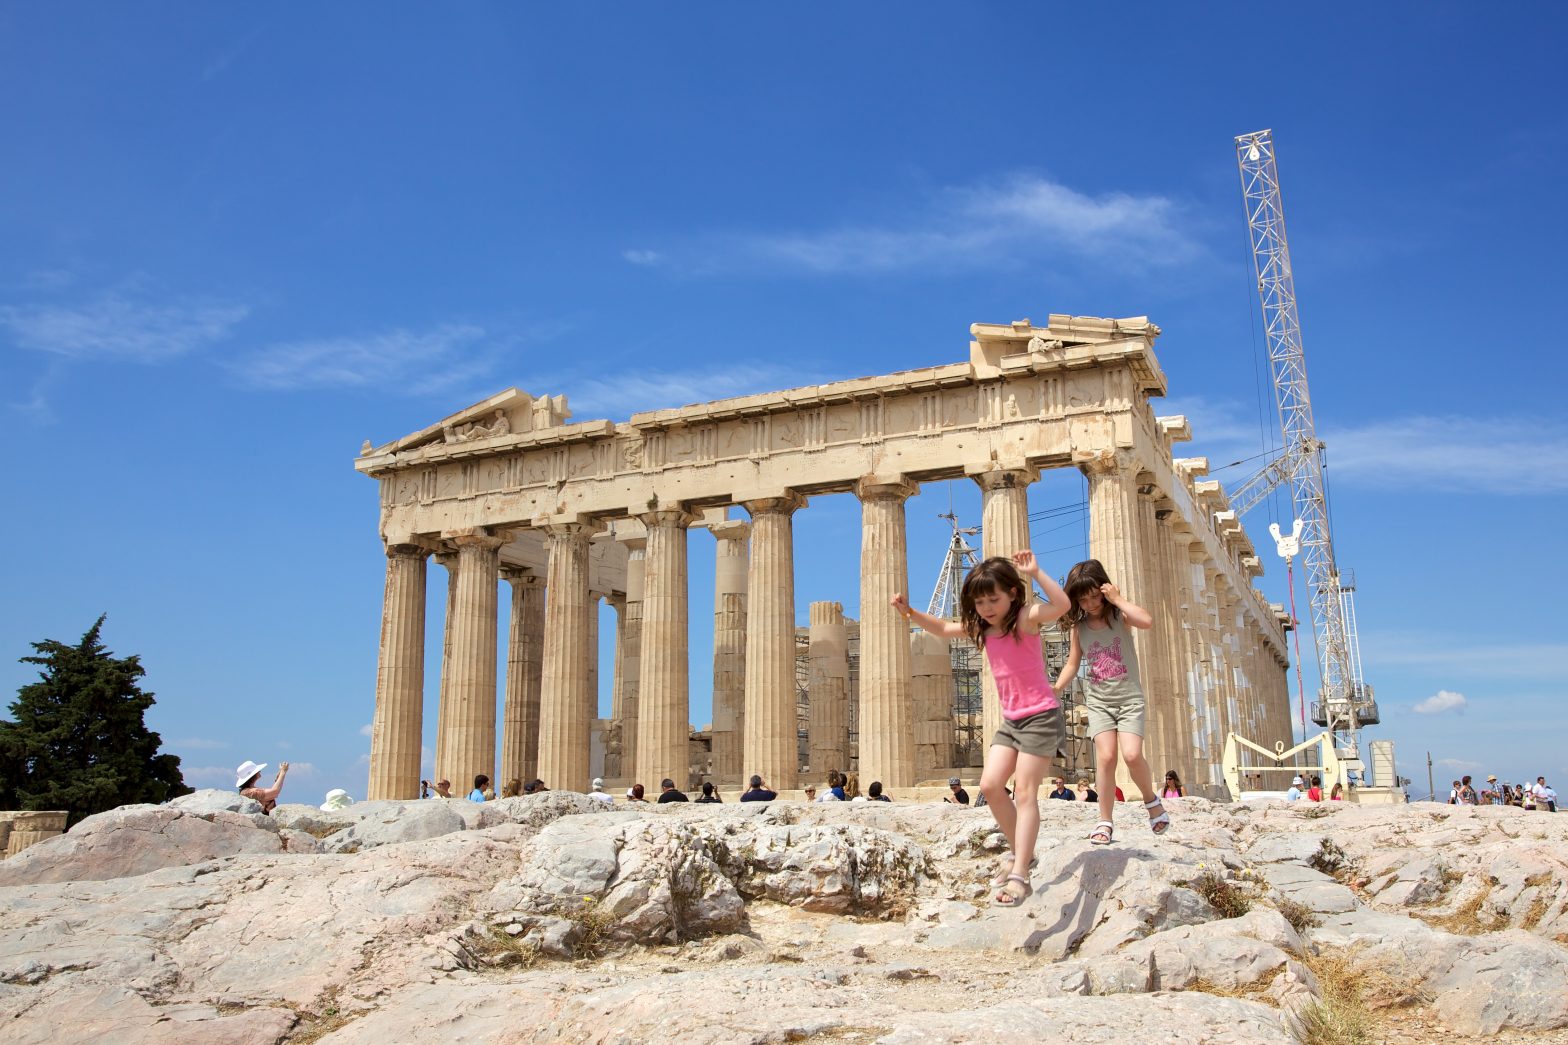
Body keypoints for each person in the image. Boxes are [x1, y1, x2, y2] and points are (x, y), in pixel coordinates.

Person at [893, 548, 1070, 907]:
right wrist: (910, 612)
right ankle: (1024, 852)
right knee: (990, 786)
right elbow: (942, 628)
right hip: (1012, 720)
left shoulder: (1025, 620)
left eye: (994, 599)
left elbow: (1062, 605)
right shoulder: (982, 629)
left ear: (1012, 595)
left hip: (1041, 715)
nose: (987, 607)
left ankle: (1020, 871)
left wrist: (1035, 573)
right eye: (980, 601)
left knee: (1025, 791)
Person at [1054, 559, 1168, 844]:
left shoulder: (1120, 616)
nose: (1091, 603)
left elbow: (1146, 620)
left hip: (1129, 699)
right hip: (1099, 701)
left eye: (1095, 596)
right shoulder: (1079, 628)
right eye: (1084, 598)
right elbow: (1072, 664)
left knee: (1131, 755)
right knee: (1105, 758)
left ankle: (1151, 801)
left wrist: (1118, 598)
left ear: (1104, 589)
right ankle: (1104, 821)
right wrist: (1055, 688)